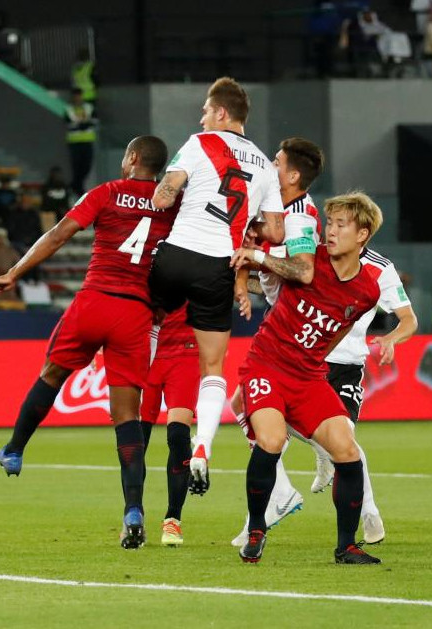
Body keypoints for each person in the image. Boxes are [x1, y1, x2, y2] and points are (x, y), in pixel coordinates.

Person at [0, 136, 176, 550]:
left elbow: (57, 235)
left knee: (52, 374)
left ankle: (15, 448)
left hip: (94, 301)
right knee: (127, 417)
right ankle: (134, 510)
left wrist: (14, 273)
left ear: (133, 159)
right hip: (135, 314)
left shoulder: (107, 192)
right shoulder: (173, 207)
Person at [229, 192, 386, 565]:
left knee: (348, 452)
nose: (330, 231)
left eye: (340, 225)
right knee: (271, 439)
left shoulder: (369, 290)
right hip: (266, 364)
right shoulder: (307, 259)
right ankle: (256, 528)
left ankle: (346, 546)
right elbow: (246, 267)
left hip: (308, 375)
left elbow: (336, 332)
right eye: (329, 223)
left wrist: (314, 358)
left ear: (362, 234)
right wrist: (244, 274)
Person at [149, 77, 284, 497]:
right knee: (212, 368)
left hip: (177, 255)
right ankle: (202, 446)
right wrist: (246, 223)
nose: (202, 116)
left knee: (148, 314)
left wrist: (166, 190)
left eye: (206, 110)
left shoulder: (198, 142)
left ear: (221, 114)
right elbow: (276, 231)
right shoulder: (264, 164)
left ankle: (138, 387)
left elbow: (163, 198)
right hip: (216, 268)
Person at [140, 306, 199, 546]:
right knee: (136, 441)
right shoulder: (142, 268)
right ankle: (133, 516)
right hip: (145, 354)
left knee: (177, 436)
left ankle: (173, 518)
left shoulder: (202, 266)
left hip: (185, 352)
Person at [64, 88, 97, 197]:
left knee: (86, 166)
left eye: (79, 96)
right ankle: (78, 187)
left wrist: (81, 125)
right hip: (74, 142)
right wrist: (83, 125)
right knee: (76, 166)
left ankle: (75, 185)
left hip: (87, 141)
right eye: (75, 96)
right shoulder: (69, 109)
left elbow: (95, 121)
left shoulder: (89, 108)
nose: (77, 98)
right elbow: (68, 124)